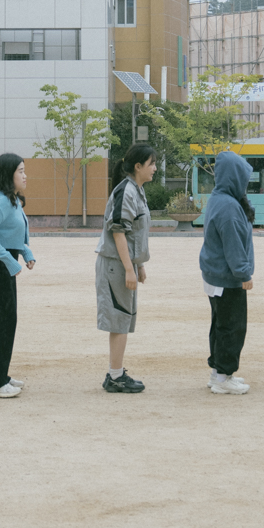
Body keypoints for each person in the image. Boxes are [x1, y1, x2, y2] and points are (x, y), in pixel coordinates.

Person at [96, 144, 156, 393]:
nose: (155, 168)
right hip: (115, 265)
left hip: (123, 264)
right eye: (151, 163)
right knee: (119, 318)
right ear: (138, 166)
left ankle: (116, 373)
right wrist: (129, 269)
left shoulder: (136, 190)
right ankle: (115, 376)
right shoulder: (126, 191)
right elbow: (119, 231)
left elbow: (134, 235)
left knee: (123, 319)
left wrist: (138, 265)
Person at [0, 152, 36, 398]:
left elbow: (10, 234)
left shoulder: (12, 200)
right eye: (20, 171)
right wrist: (9, 260)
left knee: (8, 322)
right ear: (7, 174)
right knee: (4, 323)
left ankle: (1, 376)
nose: (25, 175)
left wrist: (25, 252)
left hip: (2, 266)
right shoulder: (1, 201)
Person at [199, 150, 255, 394]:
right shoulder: (230, 206)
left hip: (215, 275)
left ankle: (218, 374)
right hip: (227, 277)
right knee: (232, 327)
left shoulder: (218, 198)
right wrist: (244, 274)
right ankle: (223, 377)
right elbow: (233, 245)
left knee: (220, 325)